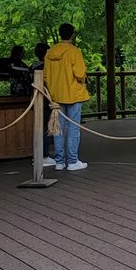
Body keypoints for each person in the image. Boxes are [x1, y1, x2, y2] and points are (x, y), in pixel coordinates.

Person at [44, 23, 91, 171]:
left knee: (58, 128)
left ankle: (59, 161)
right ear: (72, 35)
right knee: (73, 128)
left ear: (59, 34)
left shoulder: (50, 52)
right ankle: (72, 161)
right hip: (73, 94)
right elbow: (80, 73)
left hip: (56, 95)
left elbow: (45, 75)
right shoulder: (74, 52)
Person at [32, 41, 54, 164]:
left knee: (40, 127)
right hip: (46, 99)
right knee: (45, 128)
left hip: (36, 99)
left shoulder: (33, 67)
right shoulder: (46, 67)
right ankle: (44, 155)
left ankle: (39, 155)